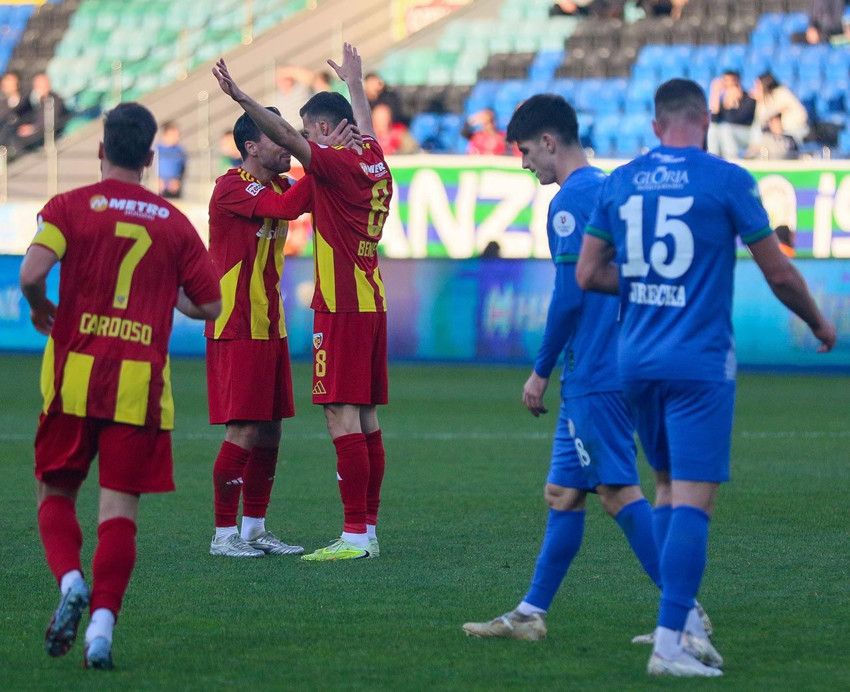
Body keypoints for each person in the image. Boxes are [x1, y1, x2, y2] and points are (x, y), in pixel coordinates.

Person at [576, 78, 836, 677]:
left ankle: (684, 627)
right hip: (698, 363)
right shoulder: (727, 180)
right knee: (695, 498)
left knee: (666, 488)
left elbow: (588, 274)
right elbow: (780, 274)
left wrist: (646, 282)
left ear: (655, 125)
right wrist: (819, 322)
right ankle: (669, 646)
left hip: (635, 360)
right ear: (705, 122)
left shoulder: (621, 181)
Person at [461, 94, 715, 660]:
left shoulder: (571, 200)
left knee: (618, 492)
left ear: (549, 142)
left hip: (596, 369)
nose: (525, 164)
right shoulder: (612, 187)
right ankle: (531, 613)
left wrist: (540, 370)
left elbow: (570, 295)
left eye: (526, 152)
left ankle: (686, 616)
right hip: (619, 358)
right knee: (563, 493)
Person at [19, 102, 221, 670]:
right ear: (151, 158)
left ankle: (70, 583)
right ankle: (101, 633)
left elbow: (31, 274)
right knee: (119, 512)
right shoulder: (173, 222)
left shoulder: (69, 207)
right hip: (139, 385)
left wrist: (40, 306)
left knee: (55, 493)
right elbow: (210, 304)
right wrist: (169, 293)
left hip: (74, 378)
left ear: (101, 149)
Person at [213, 43, 391, 561]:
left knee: (324, 418)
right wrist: (354, 85)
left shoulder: (327, 169)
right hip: (245, 321)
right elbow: (292, 201)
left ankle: (345, 534)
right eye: (281, 136)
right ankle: (228, 533)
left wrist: (242, 96)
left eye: (305, 135)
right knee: (259, 426)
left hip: (329, 309)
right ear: (252, 147)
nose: (295, 144)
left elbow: (303, 175)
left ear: (325, 131)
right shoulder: (233, 187)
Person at [750, 72, 809, 146]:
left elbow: (769, 115)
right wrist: (760, 100)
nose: (755, 88)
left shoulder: (781, 92)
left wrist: (760, 99)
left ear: (765, 84)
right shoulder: (765, 98)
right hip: (780, 133)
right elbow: (761, 118)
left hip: (795, 130)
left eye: (757, 85)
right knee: (758, 128)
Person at [707, 71, 756, 159]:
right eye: (725, 82)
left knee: (725, 128)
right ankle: (713, 159)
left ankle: (731, 160)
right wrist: (715, 95)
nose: (727, 85)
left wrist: (732, 104)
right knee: (712, 129)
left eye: (730, 82)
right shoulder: (724, 99)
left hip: (747, 134)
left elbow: (738, 119)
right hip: (727, 133)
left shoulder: (749, 98)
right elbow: (713, 119)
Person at [156, 121, 187, 199]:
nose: (177, 138)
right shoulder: (157, 150)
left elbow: (183, 169)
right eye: (174, 135)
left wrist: (178, 180)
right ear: (165, 135)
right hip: (159, 188)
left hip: (174, 189)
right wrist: (156, 180)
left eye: (178, 135)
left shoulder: (180, 151)